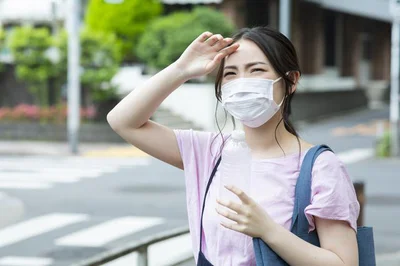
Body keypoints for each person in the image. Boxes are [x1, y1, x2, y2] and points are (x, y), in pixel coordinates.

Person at [107, 26, 360, 266]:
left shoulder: (321, 167)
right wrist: (181, 69)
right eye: (230, 73)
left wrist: (268, 231)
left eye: (256, 70)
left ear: (291, 81)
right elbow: (122, 121)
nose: (242, 82)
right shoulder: (211, 151)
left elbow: (344, 262)